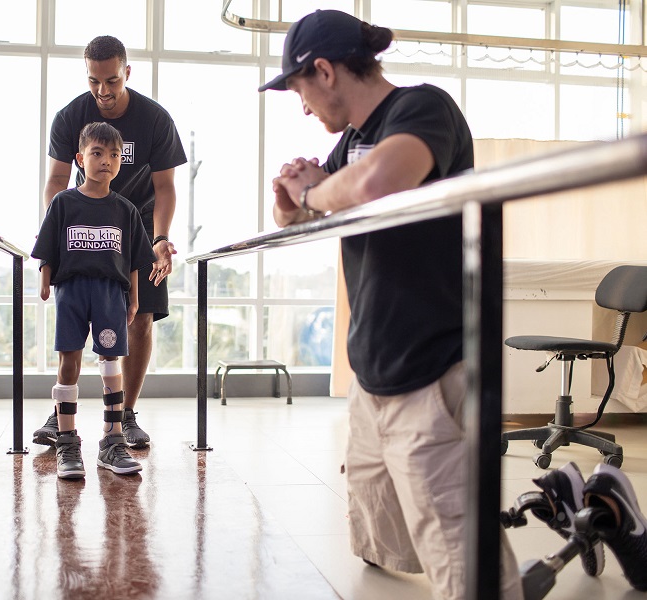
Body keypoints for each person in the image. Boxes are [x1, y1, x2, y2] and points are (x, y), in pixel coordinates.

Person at [259, 9, 647, 600]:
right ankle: (566, 494)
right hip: (374, 367)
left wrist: (315, 190)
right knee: (380, 535)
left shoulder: (421, 108)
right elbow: (305, 213)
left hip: (429, 363)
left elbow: (374, 185)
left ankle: (597, 508)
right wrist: (291, 197)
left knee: (467, 571)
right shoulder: (348, 147)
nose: (304, 107)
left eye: (301, 90)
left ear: (325, 71)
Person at [33, 34, 187, 450]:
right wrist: (57, 230)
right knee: (75, 324)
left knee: (140, 319)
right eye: (94, 82)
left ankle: (127, 415)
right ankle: (62, 413)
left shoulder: (155, 119)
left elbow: (167, 187)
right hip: (87, 231)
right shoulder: (69, 118)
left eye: (112, 81)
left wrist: (161, 237)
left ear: (127, 74)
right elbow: (55, 181)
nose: (103, 91)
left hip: (137, 229)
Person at [31, 122, 156, 479]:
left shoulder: (126, 210)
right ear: (80, 159)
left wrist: (133, 297)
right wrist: (44, 279)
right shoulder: (64, 203)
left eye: (114, 154)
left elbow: (132, 258)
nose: (106, 161)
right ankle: (68, 442)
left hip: (110, 293)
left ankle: (112, 441)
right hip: (72, 291)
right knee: (69, 361)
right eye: (97, 153)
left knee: (110, 363)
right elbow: (48, 246)